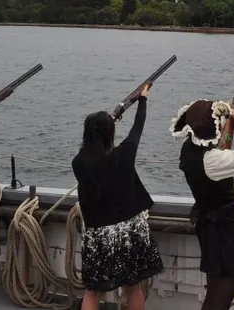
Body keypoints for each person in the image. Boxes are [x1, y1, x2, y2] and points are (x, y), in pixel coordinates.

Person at [72, 84, 162, 310]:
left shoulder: (79, 163)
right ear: (110, 134)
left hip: (99, 235)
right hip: (130, 230)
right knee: (133, 288)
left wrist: (108, 124)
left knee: (92, 293)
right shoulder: (124, 154)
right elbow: (137, 127)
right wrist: (142, 100)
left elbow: (91, 153)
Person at [172, 82, 234, 310]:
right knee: (219, 300)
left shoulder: (190, 149)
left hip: (212, 230)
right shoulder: (212, 161)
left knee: (216, 293)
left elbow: (219, 140)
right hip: (227, 235)